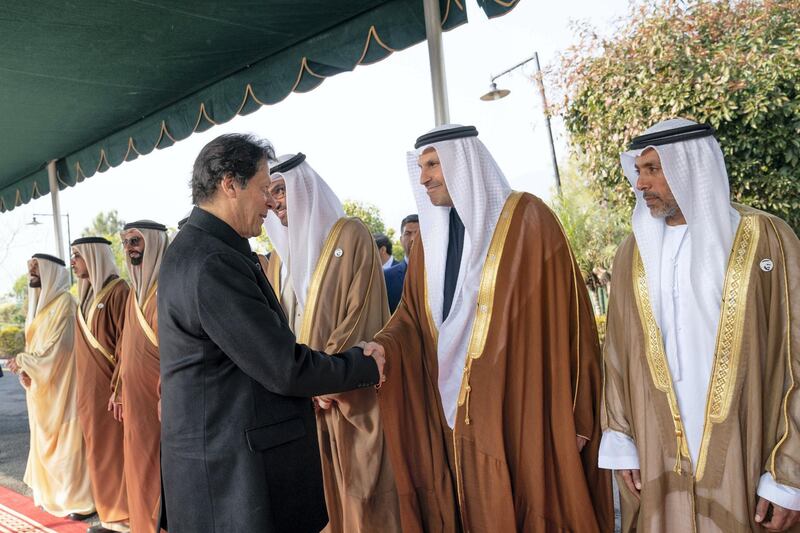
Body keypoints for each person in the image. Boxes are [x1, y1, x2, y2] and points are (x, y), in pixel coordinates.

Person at [363, 124, 613, 532]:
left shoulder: (529, 219)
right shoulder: (428, 240)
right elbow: (411, 317)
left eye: (433, 164)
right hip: (453, 415)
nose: (423, 177)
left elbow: (572, 321)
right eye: (421, 167)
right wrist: (383, 347)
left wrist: (577, 414)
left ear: (463, 163)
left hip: (522, 409)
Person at [158, 134, 385, 533]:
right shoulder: (213, 261)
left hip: (220, 469)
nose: (270, 201)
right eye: (264, 189)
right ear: (231, 184)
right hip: (233, 482)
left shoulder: (198, 248)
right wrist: (361, 365)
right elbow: (283, 367)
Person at [600, 118, 800, 532]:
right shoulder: (631, 253)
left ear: (691, 165)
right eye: (638, 171)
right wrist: (621, 442)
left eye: (653, 169)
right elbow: (616, 354)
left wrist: (788, 474)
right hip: (658, 452)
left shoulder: (768, 238)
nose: (641, 184)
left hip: (750, 448)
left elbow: (795, 354)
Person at [263, 152, 400, 533]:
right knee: (318, 502)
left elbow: (359, 314)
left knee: (363, 496)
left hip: (346, 396)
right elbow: (280, 326)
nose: (274, 203)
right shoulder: (277, 260)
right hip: (305, 401)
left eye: (280, 190)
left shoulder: (351, 234)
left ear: (302, 188)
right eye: (269, 195)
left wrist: (322, 380)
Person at [7, 254, 95, 520]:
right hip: (41, 388)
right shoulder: (40, 307)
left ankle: (78, 502)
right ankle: (53, 496)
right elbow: (37, 345)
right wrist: (27, 369)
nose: (32, 273)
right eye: (30, 267)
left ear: (51, 273)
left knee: (67, 446)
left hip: (63, 386)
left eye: (37, 268)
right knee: (45, 444)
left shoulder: (65, 304)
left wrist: (25, 361)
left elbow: (60, 350)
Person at [112, 220, 169, 533]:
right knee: (137, 466)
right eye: (126, 243)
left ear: (155, 242)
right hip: (134, 402)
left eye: (136, 241)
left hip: (160, 401)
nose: (130, 248)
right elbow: (124, 347)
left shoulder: (169, 289)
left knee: (159, 468)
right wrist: (118, 389)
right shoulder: (134, 294)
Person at [71, 236, 130, 533]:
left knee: (115, 452)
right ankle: (108, 514)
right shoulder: (85, 294)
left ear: (93, 256)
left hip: (110, 392)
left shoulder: (119, 291)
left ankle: (123, 515)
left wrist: (119, 389)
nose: (73, 262)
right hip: (88, 392)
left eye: (78, 256)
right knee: (97, 452)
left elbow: (126, 346)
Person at [384, 214, 418, 312]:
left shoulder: (440, 274)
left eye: (418, 233)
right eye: (408, 233)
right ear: (401, 240)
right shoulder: (386, 277)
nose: (413, 238)